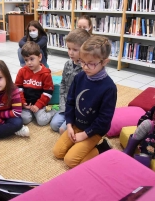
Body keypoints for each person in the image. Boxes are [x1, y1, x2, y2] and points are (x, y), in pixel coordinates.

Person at [53, 36, 117, 168]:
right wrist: (69, 125)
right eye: (82, 62)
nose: (85, 67)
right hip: (76, 125)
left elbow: (104, 119)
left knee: (71, 161)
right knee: (57, 152)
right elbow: (70, 102)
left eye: (91, 63)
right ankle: (82, 140)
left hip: (93, 130)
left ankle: (102, 147)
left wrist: (85, 135)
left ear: (104, 62)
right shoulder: (79, 77)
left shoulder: (109, 88)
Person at [50, 28, 90, 134]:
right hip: (66, 105)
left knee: (63, 130)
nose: (70, 53)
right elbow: (62, 84)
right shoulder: (67, 64)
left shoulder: (86, 69)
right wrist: (63, 106)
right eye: (69, 48)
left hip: (77, 109)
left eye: (75, 50)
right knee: (54, 125)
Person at [15, 41, 56, 126]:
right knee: (24, 119)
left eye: (32, 59)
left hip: (40, 104)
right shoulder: (22, 71)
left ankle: (53, 112)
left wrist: (38, 105)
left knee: (41, 121)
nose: (29, 63)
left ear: (40, 57)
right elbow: (18, 88)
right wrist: (23, 103)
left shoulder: (45, 74)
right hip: (27, 105)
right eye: (26, 60)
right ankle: (32, 114)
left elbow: (48, 93)